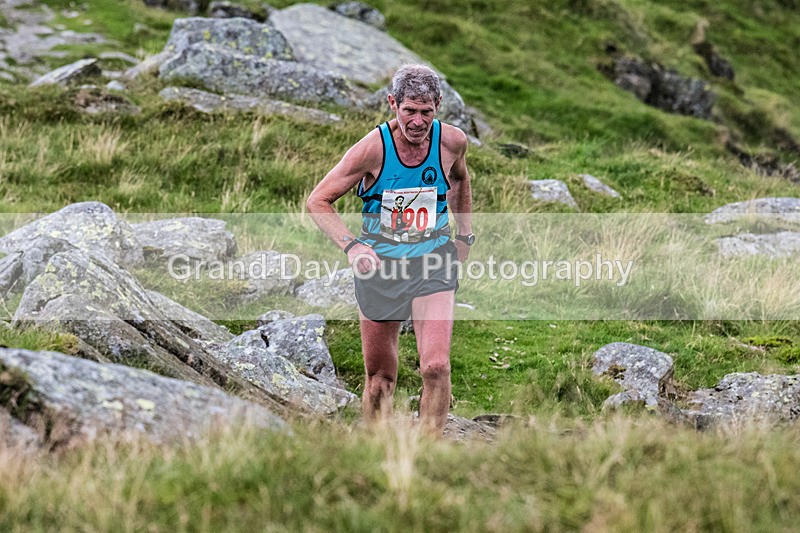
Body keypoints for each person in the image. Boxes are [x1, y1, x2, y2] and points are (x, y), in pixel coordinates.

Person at [306, 64, 475, 435]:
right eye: (409, 111)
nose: (417, 122)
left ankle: (426, 454)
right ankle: (377, 451)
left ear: (438, 105)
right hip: (380, 268)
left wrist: (464, 235)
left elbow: (461, 180)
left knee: (436, 367)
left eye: (426, 112)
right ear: (392, 103)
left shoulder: (451, 142)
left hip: (433, 262)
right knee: (381, 379)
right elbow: (319, 200)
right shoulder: (372, 149)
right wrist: (351, 247)